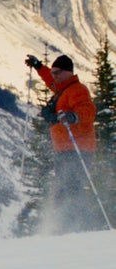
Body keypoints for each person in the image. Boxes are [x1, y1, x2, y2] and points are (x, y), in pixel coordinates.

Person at [24, 53, 98, 231]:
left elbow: (88, 111)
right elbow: (49, 78)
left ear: (67, 73)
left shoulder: (77, 90)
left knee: (71, 189)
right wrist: (38, 66)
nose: (54, 75)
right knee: (64, 189)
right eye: (54, 72)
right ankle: (69, 226)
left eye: (57, 72)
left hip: (78, 149)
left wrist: (74, 116)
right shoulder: (61, 87)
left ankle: (76, 227)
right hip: (65, 149)